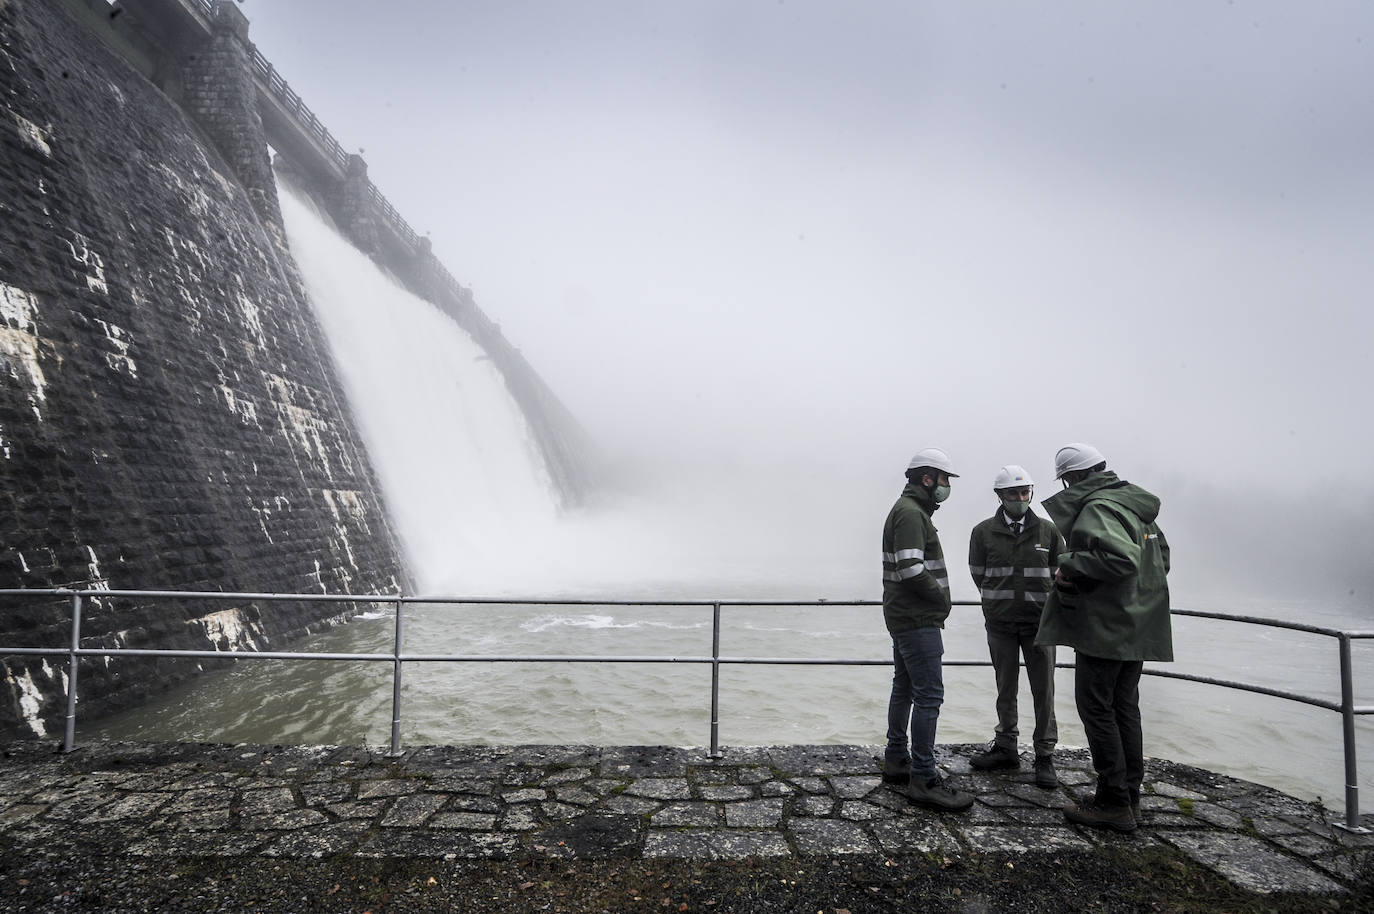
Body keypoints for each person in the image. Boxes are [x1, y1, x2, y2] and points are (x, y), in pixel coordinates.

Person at [1035, 443, 1172, 833]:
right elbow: (1161, 559)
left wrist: (1069, 565)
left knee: (1096, 708)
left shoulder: (1098, 508)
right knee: (1125, 708)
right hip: (1137, 627)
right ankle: (1129, 796)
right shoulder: (1133, 505)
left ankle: (1112, 802)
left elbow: (1121, 559)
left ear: (1073, 479)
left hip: (1107, 630)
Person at [881, 447, 974, 812]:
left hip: (906, 616)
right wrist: (941, 602)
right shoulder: (910, 513)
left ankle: (895, 759)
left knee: (904, 687)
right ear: (927, 478)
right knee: (929, 697)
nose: (946, 486)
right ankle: (923, 777)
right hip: (917, 619)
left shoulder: (911, 510)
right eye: (945, 479)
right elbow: (911, 568)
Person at [967, 465, 1065, 789]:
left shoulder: (1049, 532)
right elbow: (978, 574)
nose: (1021, 499)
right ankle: (1006, 746)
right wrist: (998, 605)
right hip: (1000, 624)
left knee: (1044, 692)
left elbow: (1060, 576)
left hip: (1041, 626)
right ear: (1000, 496)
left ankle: (1045, 756)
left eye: (1025, 492)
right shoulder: (982, 533)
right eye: (1013, 493)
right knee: (1005, 689)